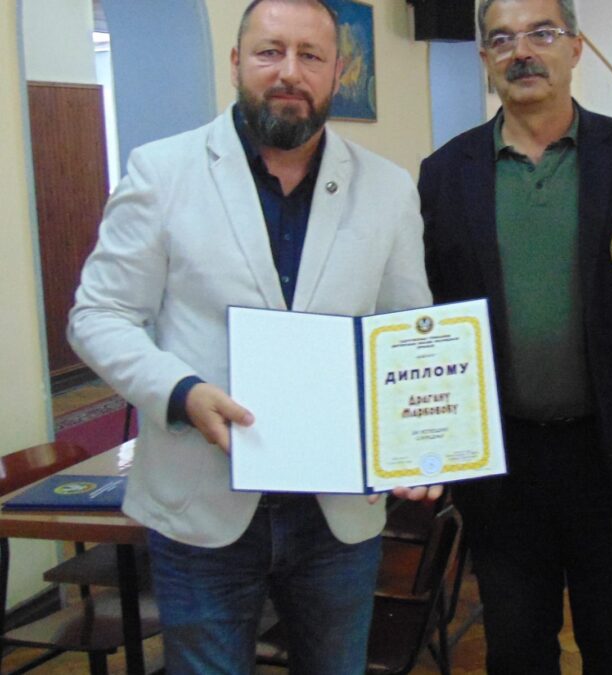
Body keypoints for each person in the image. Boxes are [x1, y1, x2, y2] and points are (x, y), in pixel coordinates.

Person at [67, 0, 434, 672]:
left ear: (338, 72)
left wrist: (419, 441)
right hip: (202, 507)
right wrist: (181, 391)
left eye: (310, 55)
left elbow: (406, 330)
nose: (289, 71)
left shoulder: (387, 188)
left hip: (337, 515)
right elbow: (97, 314)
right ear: (236, 62)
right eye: (270, 51)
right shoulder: (162, 172)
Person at [418, 0, 612, 671]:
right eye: (502, 39)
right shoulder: (444, 173)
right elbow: (421, 310)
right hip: (502, 467)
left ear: (576, 48)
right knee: (517, 651)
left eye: (541, 33)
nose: (522, 51)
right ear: (485, 58)